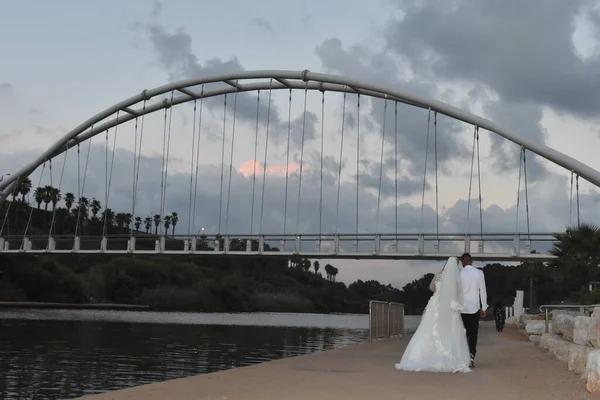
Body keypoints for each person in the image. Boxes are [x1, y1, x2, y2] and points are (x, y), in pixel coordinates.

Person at [395, 257, 471, 373]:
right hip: (449, 307)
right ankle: (448, 355)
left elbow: (431, 288)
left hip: (436, 305)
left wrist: (439, 292)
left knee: (429, 328)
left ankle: (425, 354)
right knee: (449, 330)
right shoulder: (456, 278)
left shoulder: (439, 275)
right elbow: (458, 293)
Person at [459, 253, 488, 368]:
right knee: (473, 333)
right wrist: (484, 307)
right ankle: (471, 355)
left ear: (462, 262)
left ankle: (462, 356)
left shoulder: (459, 274)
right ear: (471, 261)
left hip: (461, 308)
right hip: (474, 308)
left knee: (462, 334)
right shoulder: (479, 273)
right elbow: (483, 291)